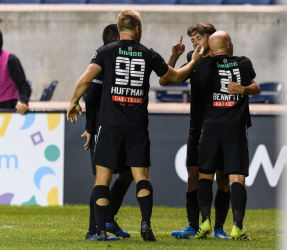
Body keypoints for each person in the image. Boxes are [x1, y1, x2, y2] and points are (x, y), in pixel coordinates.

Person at [67, 10, 204, 241]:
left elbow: (84, 81)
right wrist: (194, 61)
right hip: (136, 126)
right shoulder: (148, 54)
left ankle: (99, 231)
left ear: (120, 28)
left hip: (109, 125)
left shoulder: (105, 51)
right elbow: (176, 77)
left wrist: (73, 102)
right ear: (138, 29)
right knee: (142, 177)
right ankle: (145, 225)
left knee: (102, 178)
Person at [159, 23, 253, 239]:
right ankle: (195, 225)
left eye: (199, 38)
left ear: (212, 39)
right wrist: (174, 57)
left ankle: (219, 227)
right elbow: (165, 80)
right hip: (199, 125)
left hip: (224, 124)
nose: (195, 43)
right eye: (192, 40)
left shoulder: (229, 63)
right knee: (194, 175)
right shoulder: (195, 59)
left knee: (222, 177)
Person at [193, 31, 260, 240]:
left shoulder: (203, 64)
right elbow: (256, 88)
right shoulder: (243, 62)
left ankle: (204, 221)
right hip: (235, 127)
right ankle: (237, 227)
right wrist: (242, 90)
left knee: (205, 175)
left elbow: (187, 63)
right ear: (229, 45)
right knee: (236, 178)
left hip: (211, 126)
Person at [82, 24, 131, 241]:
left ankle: (108, 219)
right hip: (103, 130)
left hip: (119, 128)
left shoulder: (115, 61)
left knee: (128, 173)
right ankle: (93, 230)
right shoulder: (103, 61)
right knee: (101, 180)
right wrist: (90, 128)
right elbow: (90, 97)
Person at [0, 27, 31, 114]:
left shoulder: (10, 60)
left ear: (0, 39)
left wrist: (23, 102)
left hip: (7, 106)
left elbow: (23, 86)